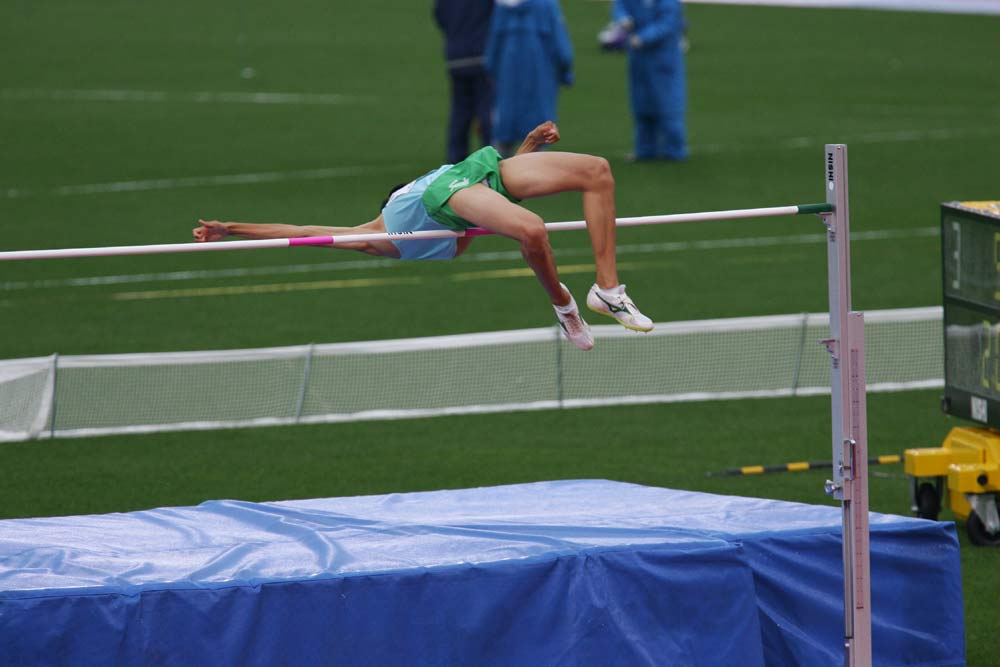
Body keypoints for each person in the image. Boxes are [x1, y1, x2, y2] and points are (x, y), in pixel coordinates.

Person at [193, 122, 653, 351]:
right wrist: (230, 229)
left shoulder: (405, 218)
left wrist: (529, 148)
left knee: (597, 172)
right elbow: (301, 232)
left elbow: (494, 207)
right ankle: (565, 307)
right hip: (454, 191)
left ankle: (608, 291)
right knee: (530, 230)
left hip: (474, 172)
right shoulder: (375, 236)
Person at [485, 0, 574, 157]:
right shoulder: (547, 5)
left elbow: (492, 53)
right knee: (538, 140)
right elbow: (561, 49)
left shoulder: (501, 7)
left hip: (507, 80)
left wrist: (494, 76)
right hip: (540, 78)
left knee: (502, 144)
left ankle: (498, 178)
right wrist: (566, 74)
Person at [608, 0, 688, 161]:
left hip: (663, 58)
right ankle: (645, 149)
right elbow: (620, 5)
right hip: (639, 58)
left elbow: (669, 23)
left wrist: (643, 37)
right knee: (641, 102)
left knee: (668, 105)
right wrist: (623, 18)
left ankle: (675, 150)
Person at [434, 0, 495, 164]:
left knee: (460, 111)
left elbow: (440, 16)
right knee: (487, 108)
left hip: (455, 56)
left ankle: (455, 160)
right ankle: (491, 158)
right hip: (483, 54)